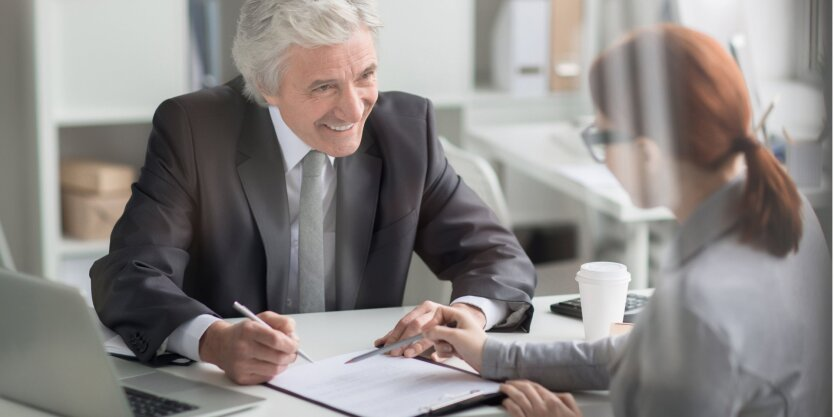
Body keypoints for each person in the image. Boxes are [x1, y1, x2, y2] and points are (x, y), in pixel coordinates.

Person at [91, 0, 536, 385]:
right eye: (324, 87)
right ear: (266, 86)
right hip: (232, 389)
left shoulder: (406, 130)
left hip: (362, 379)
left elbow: (497, 256)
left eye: (365, 75)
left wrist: (468, 315)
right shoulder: (194, 129)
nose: (354, 106)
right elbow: (129, 273)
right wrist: (211, 339)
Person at [422, 24, 831, 417]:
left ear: (647, 153)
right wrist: (491, 354)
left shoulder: (699, 303)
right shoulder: (788, 206)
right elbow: (645, 354)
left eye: (601, 138)